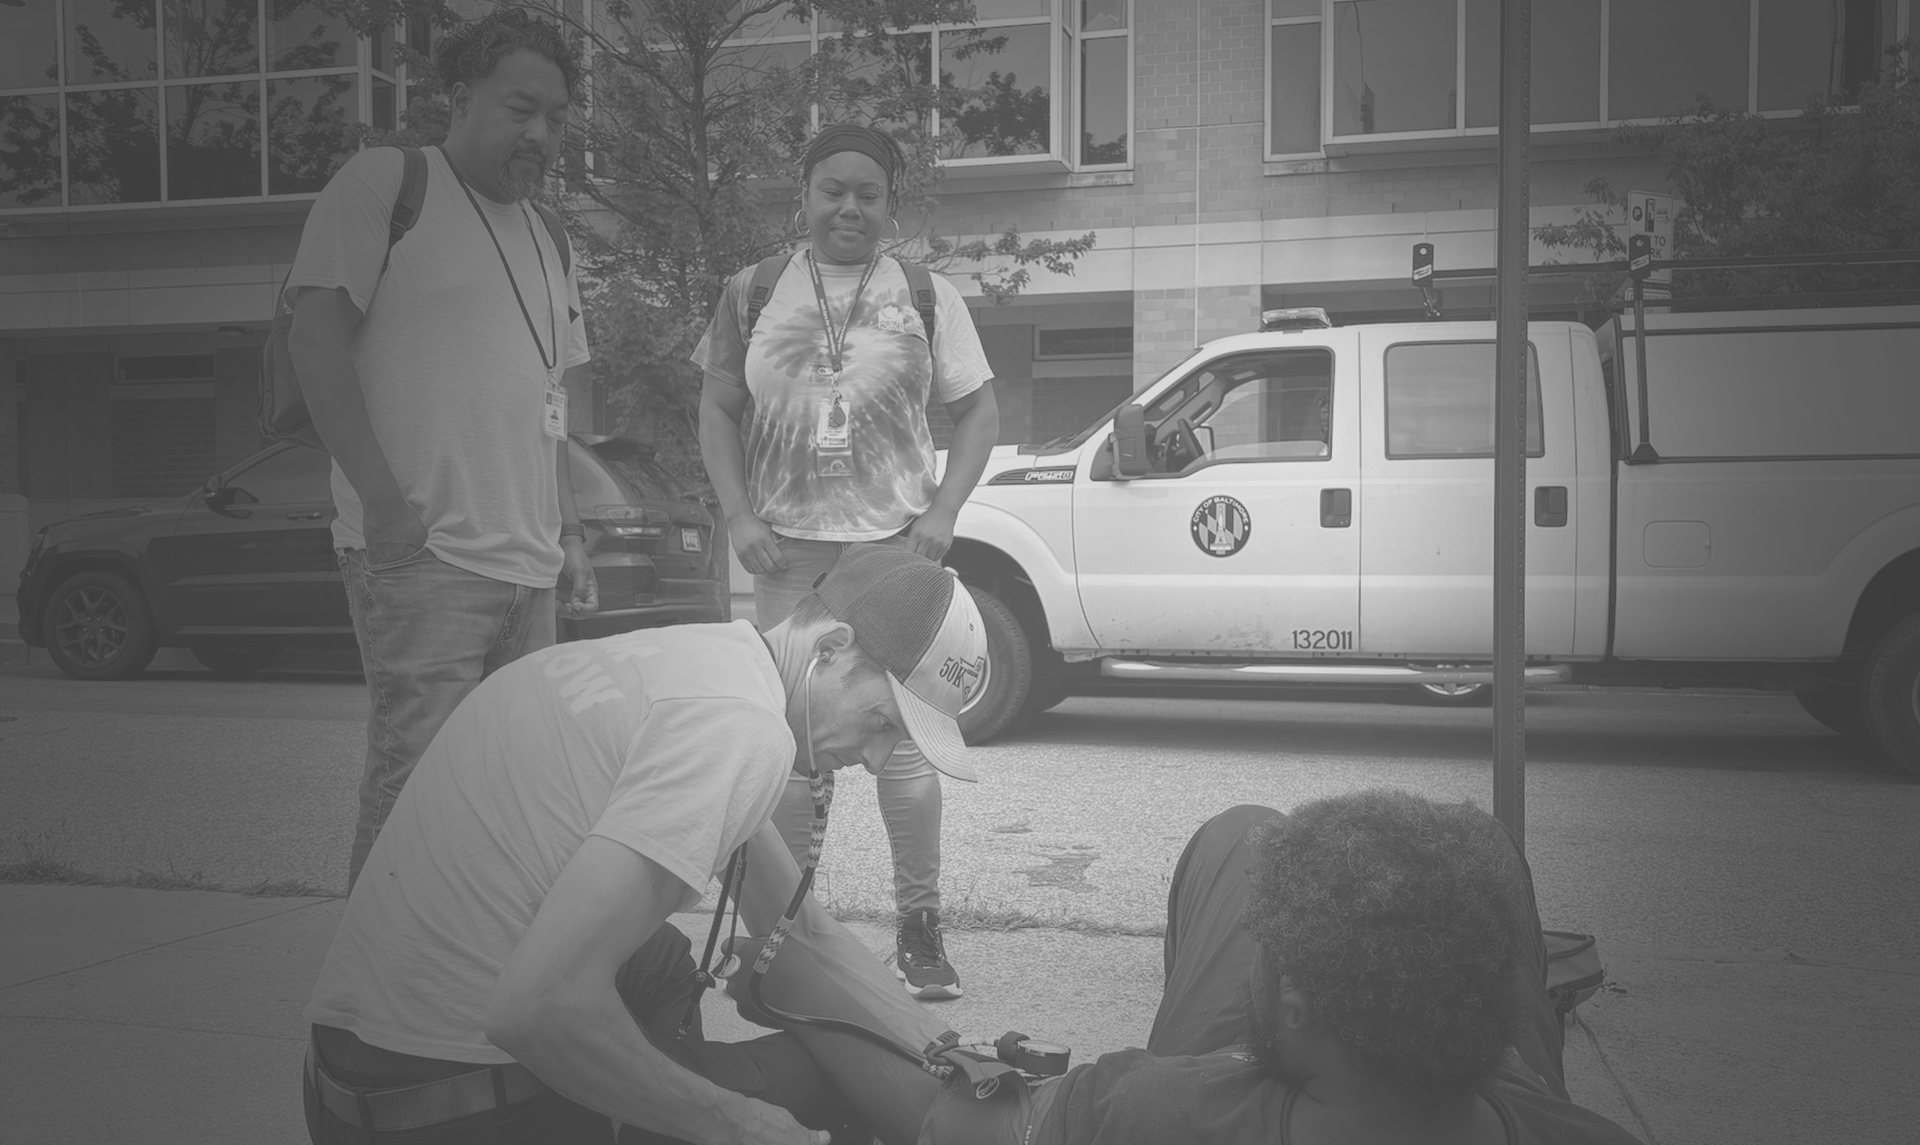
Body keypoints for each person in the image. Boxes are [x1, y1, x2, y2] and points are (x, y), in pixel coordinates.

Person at [301, 544, 988, 1145]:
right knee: (829, 1086)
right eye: (880, 722)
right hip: (449, 1116)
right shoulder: (743, 730)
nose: (874, 761)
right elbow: (537, 1006)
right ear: (831, 648)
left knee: (658, 959)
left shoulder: (707, 662)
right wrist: (735, 1123)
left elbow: (799, 925)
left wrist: (954, 1056)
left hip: (348, 1076)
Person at [748, 790, 1644, 1145]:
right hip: (1484, 1091)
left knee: (1242, 836)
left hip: (1231, 1079)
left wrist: (794, 974)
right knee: (1480, 849)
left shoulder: (1150, 1112)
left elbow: (949, 1121)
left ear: (1290, 1000)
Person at [286, 9, 599, 890]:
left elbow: (551, 399)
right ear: (460, 98)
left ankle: (460, 1007)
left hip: (528, 570)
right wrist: (384, 507)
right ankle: (356, 1026)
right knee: (414, 790)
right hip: (423, 558)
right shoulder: (388, 183)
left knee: (507, 797)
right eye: (520, 108)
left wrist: (568, 533)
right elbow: (315, 342)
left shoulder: (551, 237)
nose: (541, 133)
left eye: (557, 118)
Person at [696, 122, 1002, 1000]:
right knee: (792, 746)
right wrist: (737, 511)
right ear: (803, 194)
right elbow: (717, 409)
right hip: (785, 553)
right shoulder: (751, 292)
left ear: (891, 206)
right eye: (833, 188)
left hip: (894, 552)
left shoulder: (925, 294)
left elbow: (979, 412)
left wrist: (943, 511)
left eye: (869, 193)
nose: (849, 207)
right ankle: (787, 930)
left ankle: (919, 926)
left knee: (901, 744)